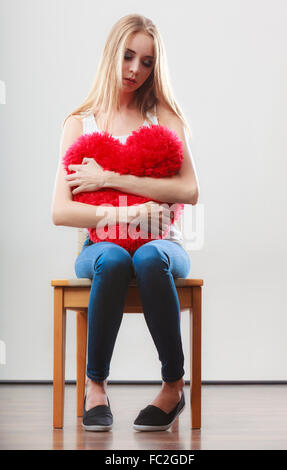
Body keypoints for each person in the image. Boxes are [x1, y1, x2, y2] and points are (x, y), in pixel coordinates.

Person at [51, 13, 200, 432]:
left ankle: (173, 385)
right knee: (114, 258)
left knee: (152, 256)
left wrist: (107, 178)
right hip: (99, 246)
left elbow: (189, 191)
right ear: (111, 54)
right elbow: (61, 211)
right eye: (128, 56)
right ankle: (94, 385)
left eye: (148, 62)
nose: (136, 69)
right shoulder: (79, 123)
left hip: (163, 240)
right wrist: (128, 213)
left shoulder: (164, 119)